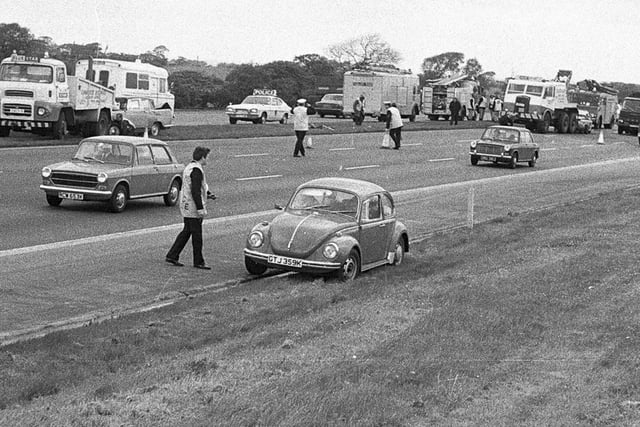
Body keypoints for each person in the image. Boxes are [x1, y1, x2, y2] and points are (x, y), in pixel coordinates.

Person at [166, 146, 215, 270]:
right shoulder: (197, 170)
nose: (208, 159)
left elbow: (195, 186)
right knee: (197, 235)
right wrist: (200, 208)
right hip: (193, 207)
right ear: (202, 157)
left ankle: (172, 255)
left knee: (187, 231)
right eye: (207, 157)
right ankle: (198, 261)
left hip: (186, 205)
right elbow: (195, 191)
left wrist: (208, 193)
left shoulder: (190, 167)